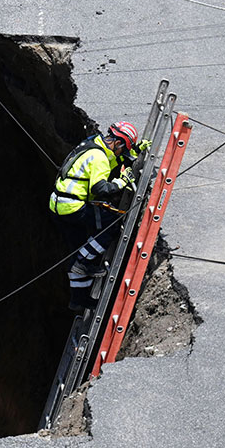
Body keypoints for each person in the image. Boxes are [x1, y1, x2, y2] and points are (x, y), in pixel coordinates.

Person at [49, 121, 147, 312]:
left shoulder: (93, 143)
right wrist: (121, 182)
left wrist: (133, 153)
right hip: (72, 207)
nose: (121, 153)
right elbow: (100, 188)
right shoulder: (99, 156)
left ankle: (80, 299)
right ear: (118, 144)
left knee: (79, 250)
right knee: (111, 223)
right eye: (123, 149)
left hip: (58, 205)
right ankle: (83, 263)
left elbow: (112, 162)